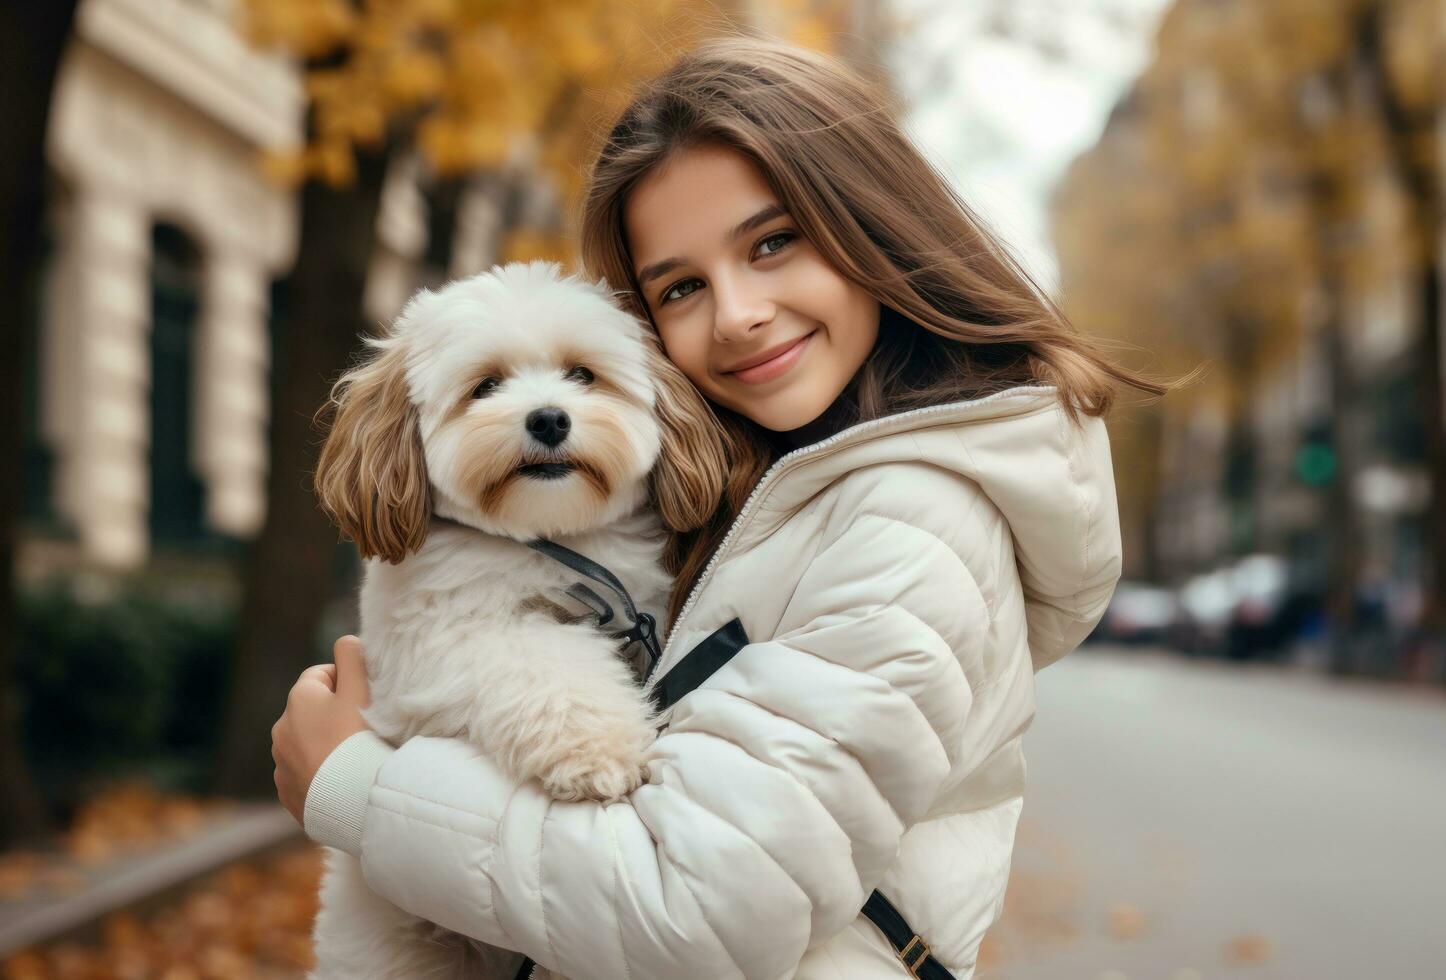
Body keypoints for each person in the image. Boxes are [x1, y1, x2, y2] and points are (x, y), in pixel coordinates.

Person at [271, 34, 1163, 979]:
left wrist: (360, 792)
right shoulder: (782, 485)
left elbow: (697, 913)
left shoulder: (911, 524)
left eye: (773, 242)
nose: (735, 314)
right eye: (682, 287)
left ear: (873, 226)